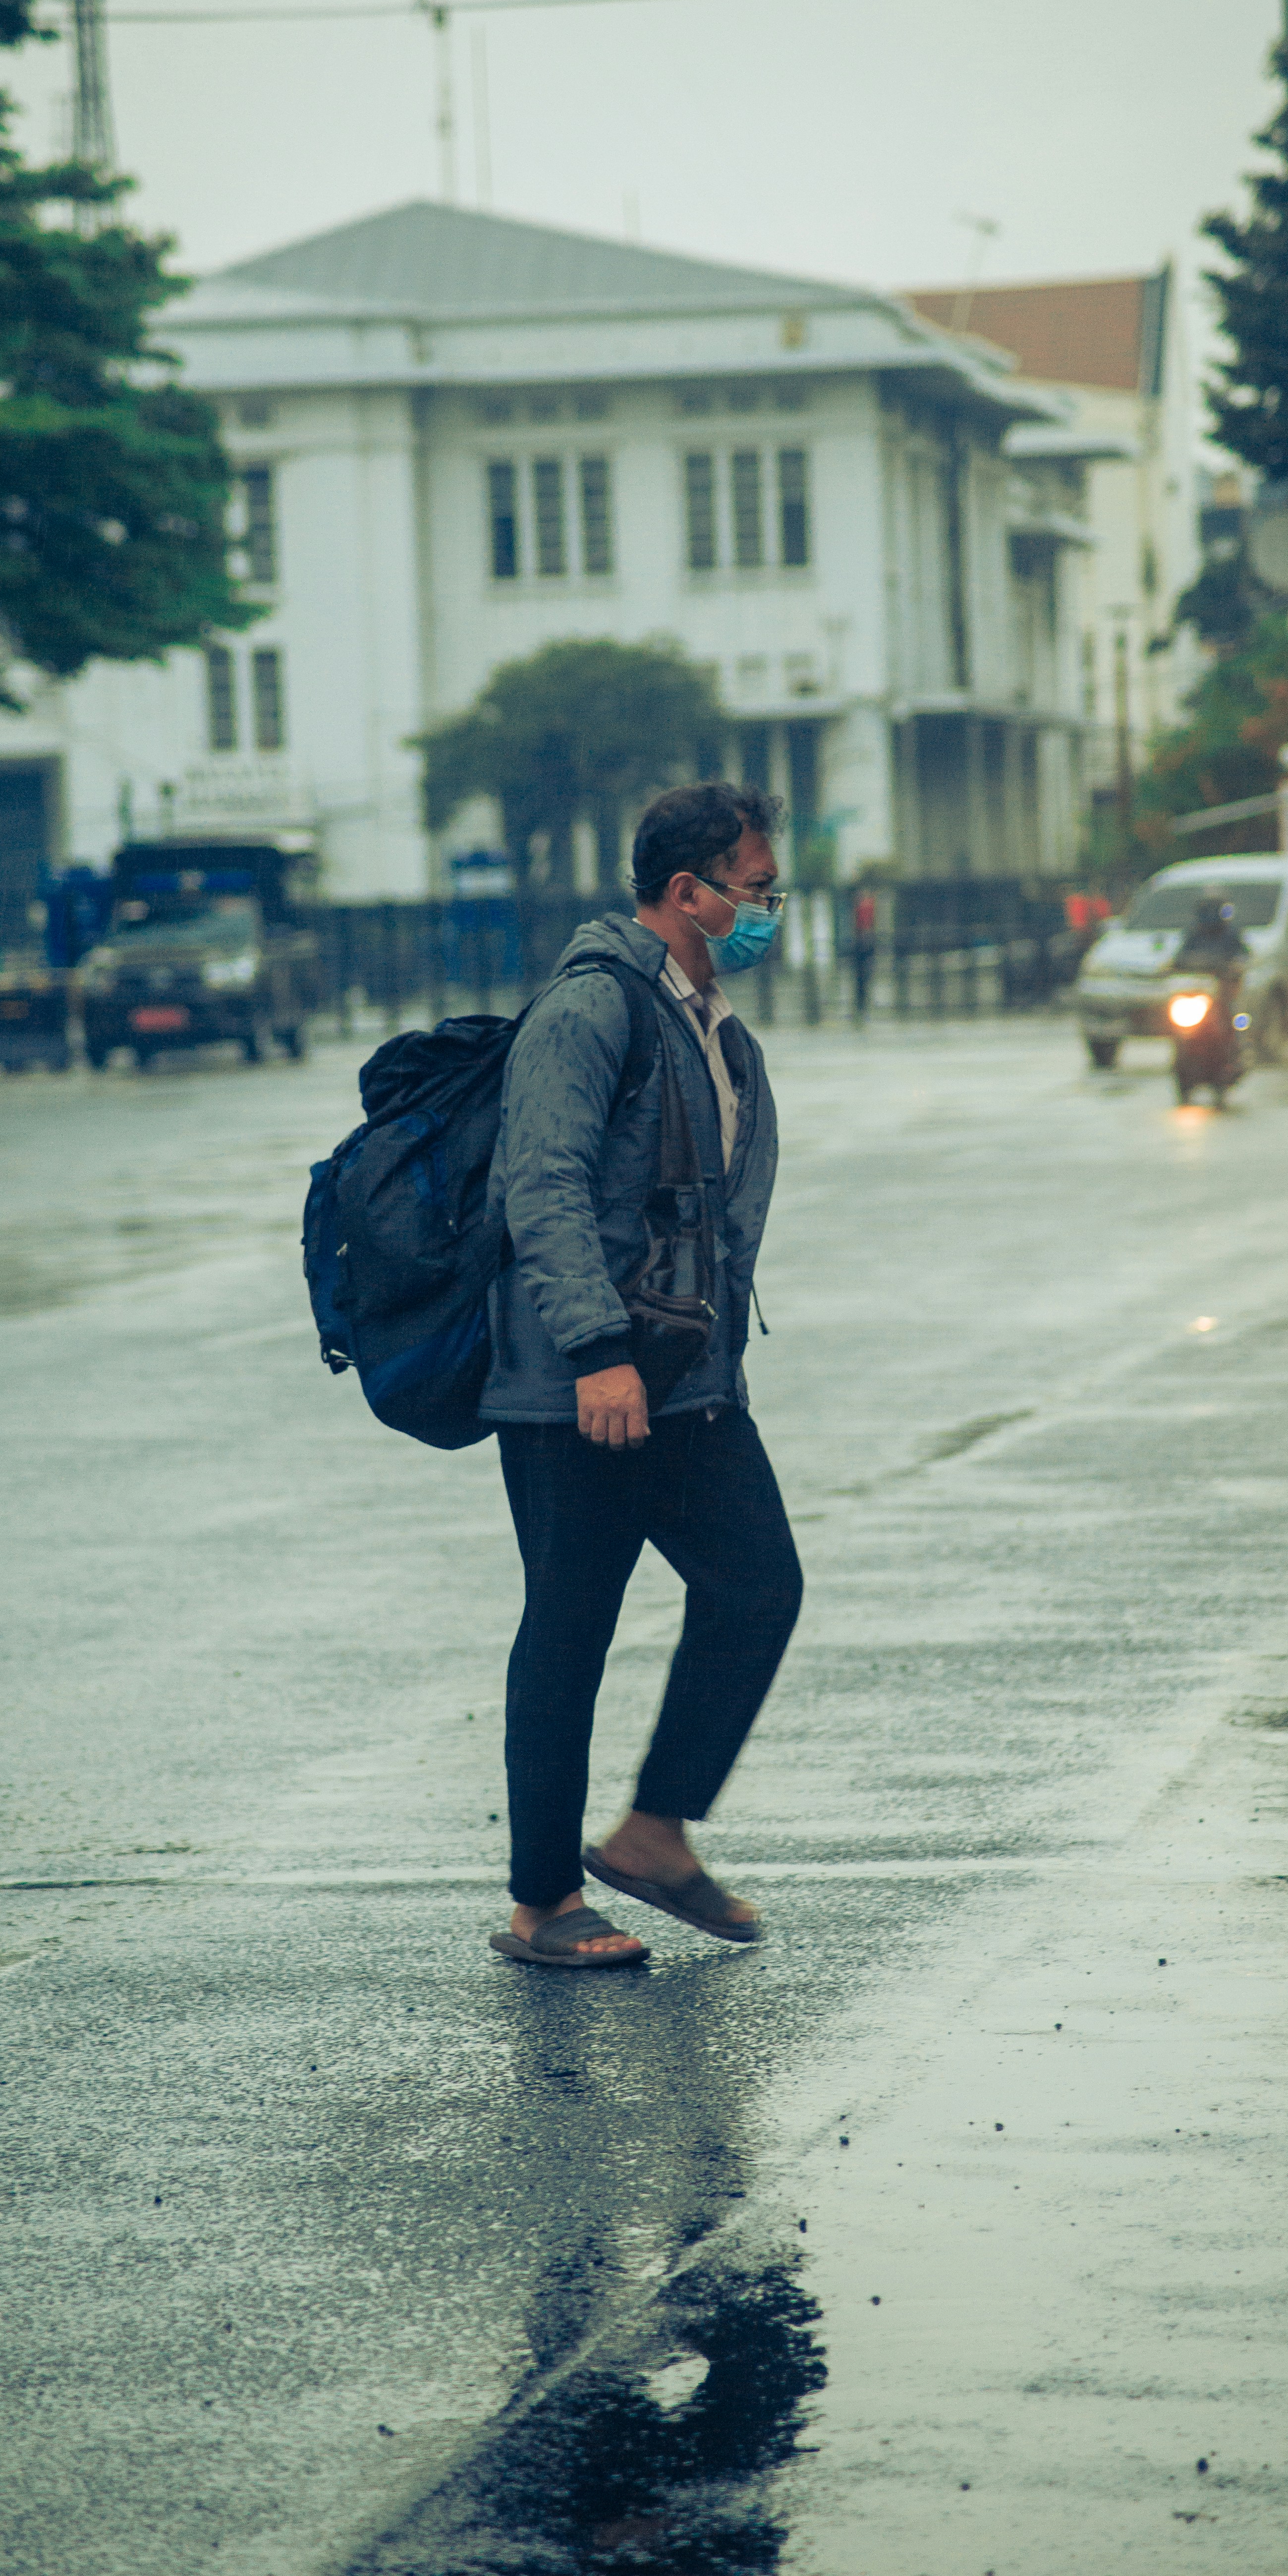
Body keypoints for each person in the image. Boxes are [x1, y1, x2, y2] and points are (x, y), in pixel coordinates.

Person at [482, 782, 803, 1971]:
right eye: (756, 890)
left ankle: (654, 1831)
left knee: (758, 1585)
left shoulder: (715, 1025)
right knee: (570, 1625)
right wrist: (595, 1349)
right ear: (689, 892)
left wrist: (696, 1358)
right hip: (585, 1379)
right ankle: (540, 1899)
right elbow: (543, 1183)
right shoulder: (589, 1007)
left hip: (685, 1379)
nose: (768, 911)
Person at [1177, 887, 1250, 980]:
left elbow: (1244, 956)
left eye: (1215, 907)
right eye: (1206, 908)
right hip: (1199, 980)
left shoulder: (1232, 934)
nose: (1211, 913)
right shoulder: (1193, 934)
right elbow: (1181, 957)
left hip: (1223, 981)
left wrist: (1236, 965)